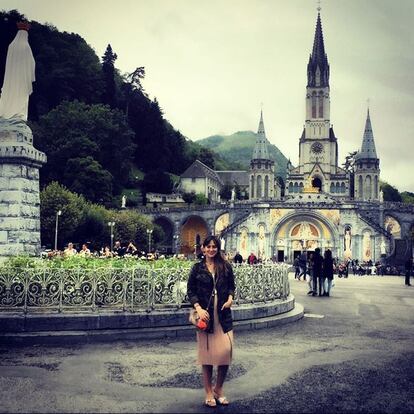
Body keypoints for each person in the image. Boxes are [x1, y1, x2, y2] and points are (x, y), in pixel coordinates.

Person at [187, 235, 235, 408]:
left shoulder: (225, 266)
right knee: (207, 356)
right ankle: (208, 392)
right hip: (206, 316)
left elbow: (231, 286)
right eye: (208, 247)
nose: (211, 249)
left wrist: (230, 298)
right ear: (203, 249)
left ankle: (219, 389)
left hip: (223, 315)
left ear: (218, 248)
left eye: (214, 246)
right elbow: (190, 290)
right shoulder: (197, 268)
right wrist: (198, 308)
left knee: (225, 353)